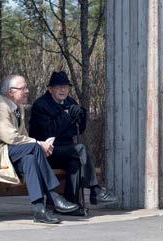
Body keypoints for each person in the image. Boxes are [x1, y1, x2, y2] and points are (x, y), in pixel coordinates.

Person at [0, 75, 79, 224]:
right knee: (34, 147)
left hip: (8, 151)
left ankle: (39, 209)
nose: (27, 91)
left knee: (30, 159)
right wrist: (39, 144)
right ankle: (54, 196)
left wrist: (39, 146)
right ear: (11, 92)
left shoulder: (18, 108)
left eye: (26, 87)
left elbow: (23, 137)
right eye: (24, 88)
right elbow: (11, 137)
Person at [29, 71, 117, 215]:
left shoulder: (70, 102)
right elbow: (47, 133)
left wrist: (80, 115)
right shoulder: (41, 105)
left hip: (66, 151)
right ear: (50, 89)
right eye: (58, 87)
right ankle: (95, 189)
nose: (63, 90)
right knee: (80, 149)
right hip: (47, 152)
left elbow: (80, 129)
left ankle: (71, 204)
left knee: (75, 162)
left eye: (65, 87)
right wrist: (65, 115)